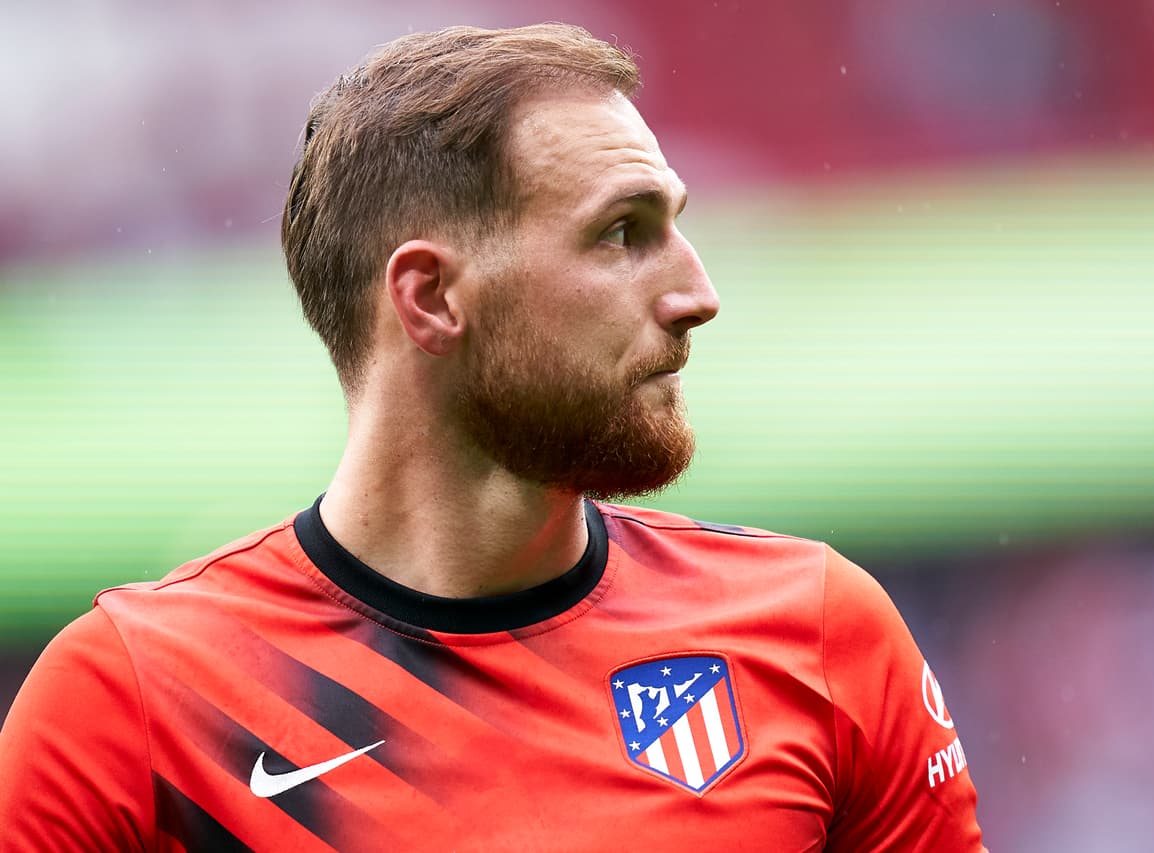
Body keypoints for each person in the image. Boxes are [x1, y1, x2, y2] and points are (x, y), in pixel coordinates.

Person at [0, 24, 983, 851]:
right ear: (430, 298)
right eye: (622, 233)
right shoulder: (133, 703)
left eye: (675, 225)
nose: (696, 294)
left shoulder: (818, 633)